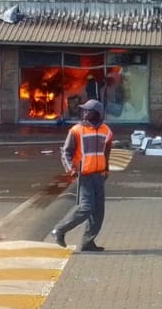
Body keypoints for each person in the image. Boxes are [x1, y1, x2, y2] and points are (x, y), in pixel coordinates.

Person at [49, 99, 115, 253]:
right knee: (87, 207)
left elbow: (107, 152)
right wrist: (71, 169)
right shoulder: (76, 130)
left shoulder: (107, 131)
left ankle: (88, 243)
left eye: (88, 110)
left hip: (99, 175)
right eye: (83, 110)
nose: (84, 113)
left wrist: (106, 169)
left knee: (98, 212)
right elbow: (66, 152)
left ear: (97, 113)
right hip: (83, 175)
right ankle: (59, 230)